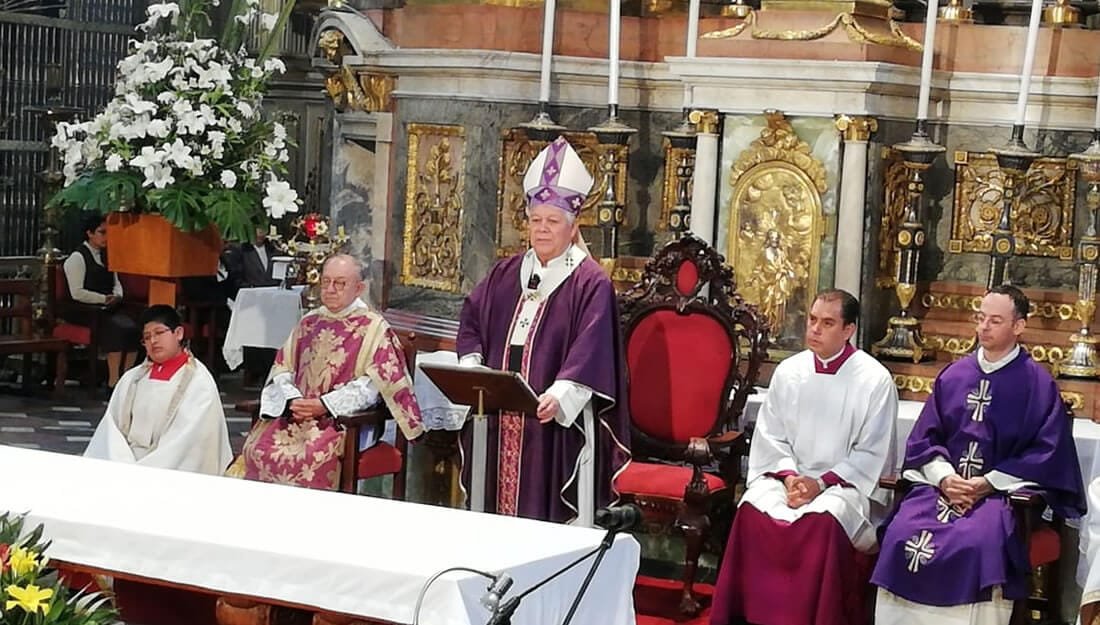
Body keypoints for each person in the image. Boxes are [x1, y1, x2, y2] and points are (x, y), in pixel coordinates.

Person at [872, 284, 1086, 625]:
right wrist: (945, 478)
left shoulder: (1037, 385)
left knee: (976, 541)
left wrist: (987, 483)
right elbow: (924, 439)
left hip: (999, 498)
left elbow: (1048, 452)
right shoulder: (954, 376)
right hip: (942, 489)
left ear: (1019, 326)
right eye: (980, 318)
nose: (983, 327)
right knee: (901, 532)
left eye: (995, 321)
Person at [456, 135, 631, 526]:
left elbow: (593, 348)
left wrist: (561, 393)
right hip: (499, 415)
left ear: (573, 228)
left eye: (553, 222)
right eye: (536, 221)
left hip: (550, 420)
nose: (542, 230)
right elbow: (473, 318)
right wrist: (472, 366)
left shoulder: (590, 282)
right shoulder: (507, 271)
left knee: (542, 512)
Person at [710, 289, 897, 625]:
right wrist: (791, 478)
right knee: (751, 508)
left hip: (844, 487)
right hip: (790, 478)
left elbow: (872, 453)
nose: (814, 329)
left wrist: (820, 484)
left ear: (849, 330)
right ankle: (746, 617)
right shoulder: (789, 371)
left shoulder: (874, 380)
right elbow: (771, 437)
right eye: (812, 320)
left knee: (823, 520)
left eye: (827, 323)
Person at [238, 254, 424, 490]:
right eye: (325, 282)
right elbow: (282, 370)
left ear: (359, 288)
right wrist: (293, 400)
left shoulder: (373, 328)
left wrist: (325, 405)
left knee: (307, 459)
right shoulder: (309, 322)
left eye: (340, 283)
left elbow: (373, 386)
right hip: (298, 415)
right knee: (257, 449)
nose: (331, 289)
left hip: (342, 422)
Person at [84, 305, 233, 474]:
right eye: (147, 337)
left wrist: (145, 472)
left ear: (178, 334)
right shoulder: (131, 379)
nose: (153, 341)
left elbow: (188, 442)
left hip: (170, 469)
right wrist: (124, 465)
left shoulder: (199, 383)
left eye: (159, 333)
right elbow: (111, 429)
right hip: (125, 463)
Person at [62, 212, 140, 389]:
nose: (107, 237)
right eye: (102, 232)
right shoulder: (77, 258)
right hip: (84, 310)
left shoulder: (108, 256)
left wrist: (117, 296)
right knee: (117, 329)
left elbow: (116, 282)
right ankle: (113, 381)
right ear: (89, 233)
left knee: (133, 329)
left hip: (108, 308)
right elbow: (77, 292)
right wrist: (103, 299)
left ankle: (126, 380)